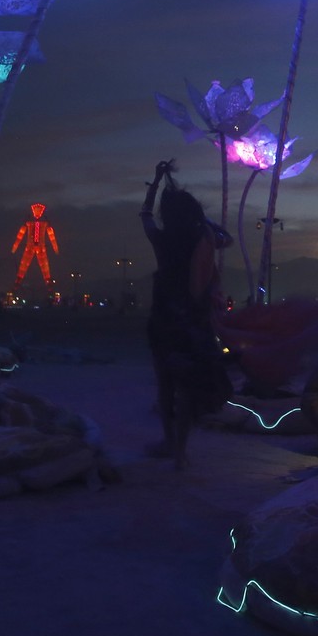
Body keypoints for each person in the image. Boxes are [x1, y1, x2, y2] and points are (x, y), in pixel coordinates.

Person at [139, 160, 233, 470]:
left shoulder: (161, 241)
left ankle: (169, 443)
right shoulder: (202, 238)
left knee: (165, 384)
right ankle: (180, 450)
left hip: (164, 315)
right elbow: (225, 238)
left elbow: (145, 215)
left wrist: (155, 183)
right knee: (187, 386)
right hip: (192, 319)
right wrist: (200, 218)